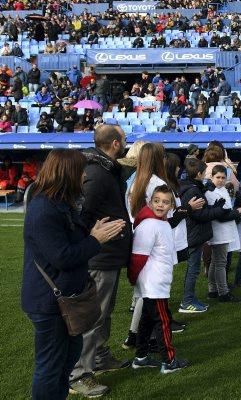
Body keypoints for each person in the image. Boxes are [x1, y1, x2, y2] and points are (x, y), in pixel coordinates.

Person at [23, 150, 124, 400]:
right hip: (50, 302)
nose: (84, 176)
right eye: (81, 171)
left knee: (66, 358)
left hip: (65, 297)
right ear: (68, 173)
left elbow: (70, 242)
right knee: (50, 366)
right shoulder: (44, 208)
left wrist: (93, 232)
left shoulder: (60, 202)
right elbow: (63, 257)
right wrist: (95, 239)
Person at [69, 125, 132, 397]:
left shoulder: (104, 168)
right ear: (115, 143)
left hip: (109, 254)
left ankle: (100, 356)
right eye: (125, 139)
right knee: (94, 316)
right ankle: (79, 374)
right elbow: (83, 214)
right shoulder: (96, 172)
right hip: (100, 256)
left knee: (103, 313)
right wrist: (92, 242)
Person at [128, 185, 188, 374]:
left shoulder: (161, 223)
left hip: (157, 282)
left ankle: (141, 356)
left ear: (171, 205)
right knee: (162, 322)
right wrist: (133, 278)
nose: (160, 205)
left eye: (165, 202)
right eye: (157, 201)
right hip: (153, 284)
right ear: (150, 201)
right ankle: (169, 361)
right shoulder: (148, 225)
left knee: (146, 320)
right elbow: (138, 256)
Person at [178, 158, 229, 313]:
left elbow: (200, 210)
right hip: (195, 233)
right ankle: (187, 301)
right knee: (193, 269)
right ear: (199, 173)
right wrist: (218, 210)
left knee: (194, 268)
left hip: (195, 232)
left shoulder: (193, 187)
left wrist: (214, 207)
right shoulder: (193, 189)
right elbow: (199, 215)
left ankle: (190, 298)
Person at [204, 165, 241, 303]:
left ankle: (213, 290)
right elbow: (220, 215)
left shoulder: (222, 190)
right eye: (218, 177)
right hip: (219, 231)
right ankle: (223, 292)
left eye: (223, 177)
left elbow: (225, 210)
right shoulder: (210, 192)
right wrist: (237, 213)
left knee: (216, 262)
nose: (220, 180)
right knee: (220, 262)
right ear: (211, 177)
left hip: (225, 230)